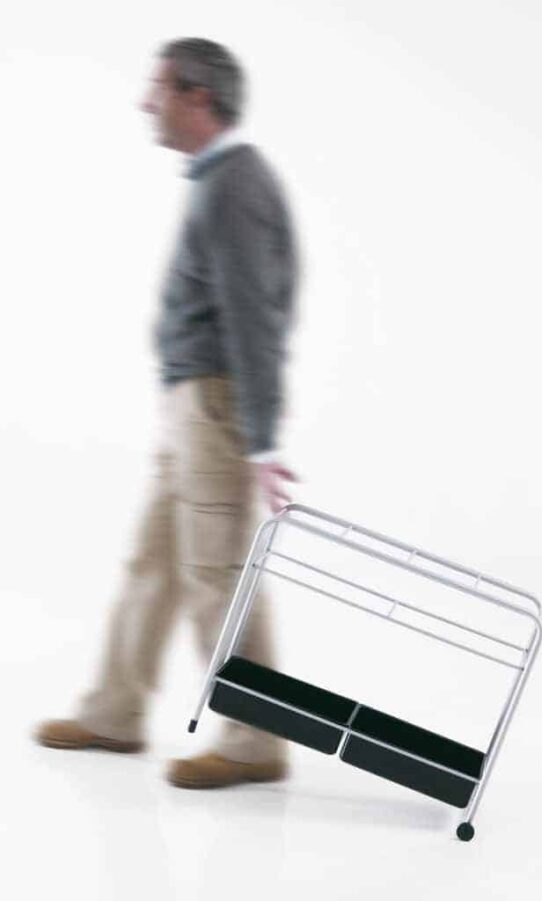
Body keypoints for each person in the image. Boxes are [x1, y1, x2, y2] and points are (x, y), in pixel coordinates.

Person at [33, 37, 301, 789]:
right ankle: (113, 713)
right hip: (191, 407)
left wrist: (261, 438)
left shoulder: (235, 185)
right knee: (153, 564)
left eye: (158, 89)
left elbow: (253, 316)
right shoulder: (218, 179)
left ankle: (257, 740)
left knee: (214, 572)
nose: (145, 102)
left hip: (214, 408)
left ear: (196, 97)